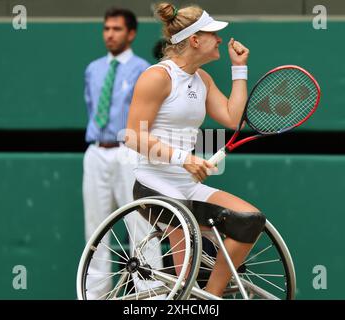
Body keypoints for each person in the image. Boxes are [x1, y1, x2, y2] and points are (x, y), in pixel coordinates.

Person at [125, 3, 264, 297]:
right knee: (188, 256)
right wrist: (184, 159)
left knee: (250, 220)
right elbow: (133, 136)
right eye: (213, 33)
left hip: (186, 187)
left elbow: (232, 116)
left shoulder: (202, 80)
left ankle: (209, 298)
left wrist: (239, 68)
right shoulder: (157, 77)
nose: (220, 39)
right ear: (195, 40)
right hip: (153, 186)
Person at [82, 7, 161, 299]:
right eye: (106, 29)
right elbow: (92, 107)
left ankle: (151, 296)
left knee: (140, 224)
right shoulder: (92, 69)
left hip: (129, 153)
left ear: (131, 33)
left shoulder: (143, 69)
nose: (110, 34)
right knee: (96, 230)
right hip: (96, 152)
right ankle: (94, 295)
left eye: (116, 29)